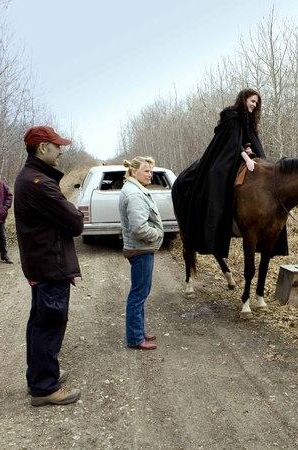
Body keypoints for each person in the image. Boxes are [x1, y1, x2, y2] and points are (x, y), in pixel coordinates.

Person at [172, 88, 287, 258]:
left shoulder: (247, 118)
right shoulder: (231, 114)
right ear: (244, 98)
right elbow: (231, 142)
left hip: (239, 154)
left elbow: (245, 139)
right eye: (252, 101)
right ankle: (214, 224)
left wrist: (249, 148)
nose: (254, 105)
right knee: (217, 174)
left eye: (256, 103)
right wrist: (246, 159)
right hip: (224, 155)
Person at [14, 126, 84, 406]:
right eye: (57, 146)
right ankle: (44, 388)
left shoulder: (30, 178)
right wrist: (73, 211)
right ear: (42, 148)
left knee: (40, 321)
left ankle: (40, 375)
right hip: (49, 264)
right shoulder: (38, 183)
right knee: (50, 323)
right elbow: (75, 222)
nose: (61, 150)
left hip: (41, 263)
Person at [118, 156, 164, 350]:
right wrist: (158, 234)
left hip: (139, 248)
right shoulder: (135, 194)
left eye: (151, 171)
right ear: (133, 172)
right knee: (138, 294)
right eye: (146, 171)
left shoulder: (133, 189)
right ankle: (136, 338)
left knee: (140, 293)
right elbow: (139, 228)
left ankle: (139, 331)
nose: (150, 174)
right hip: (140, 249)